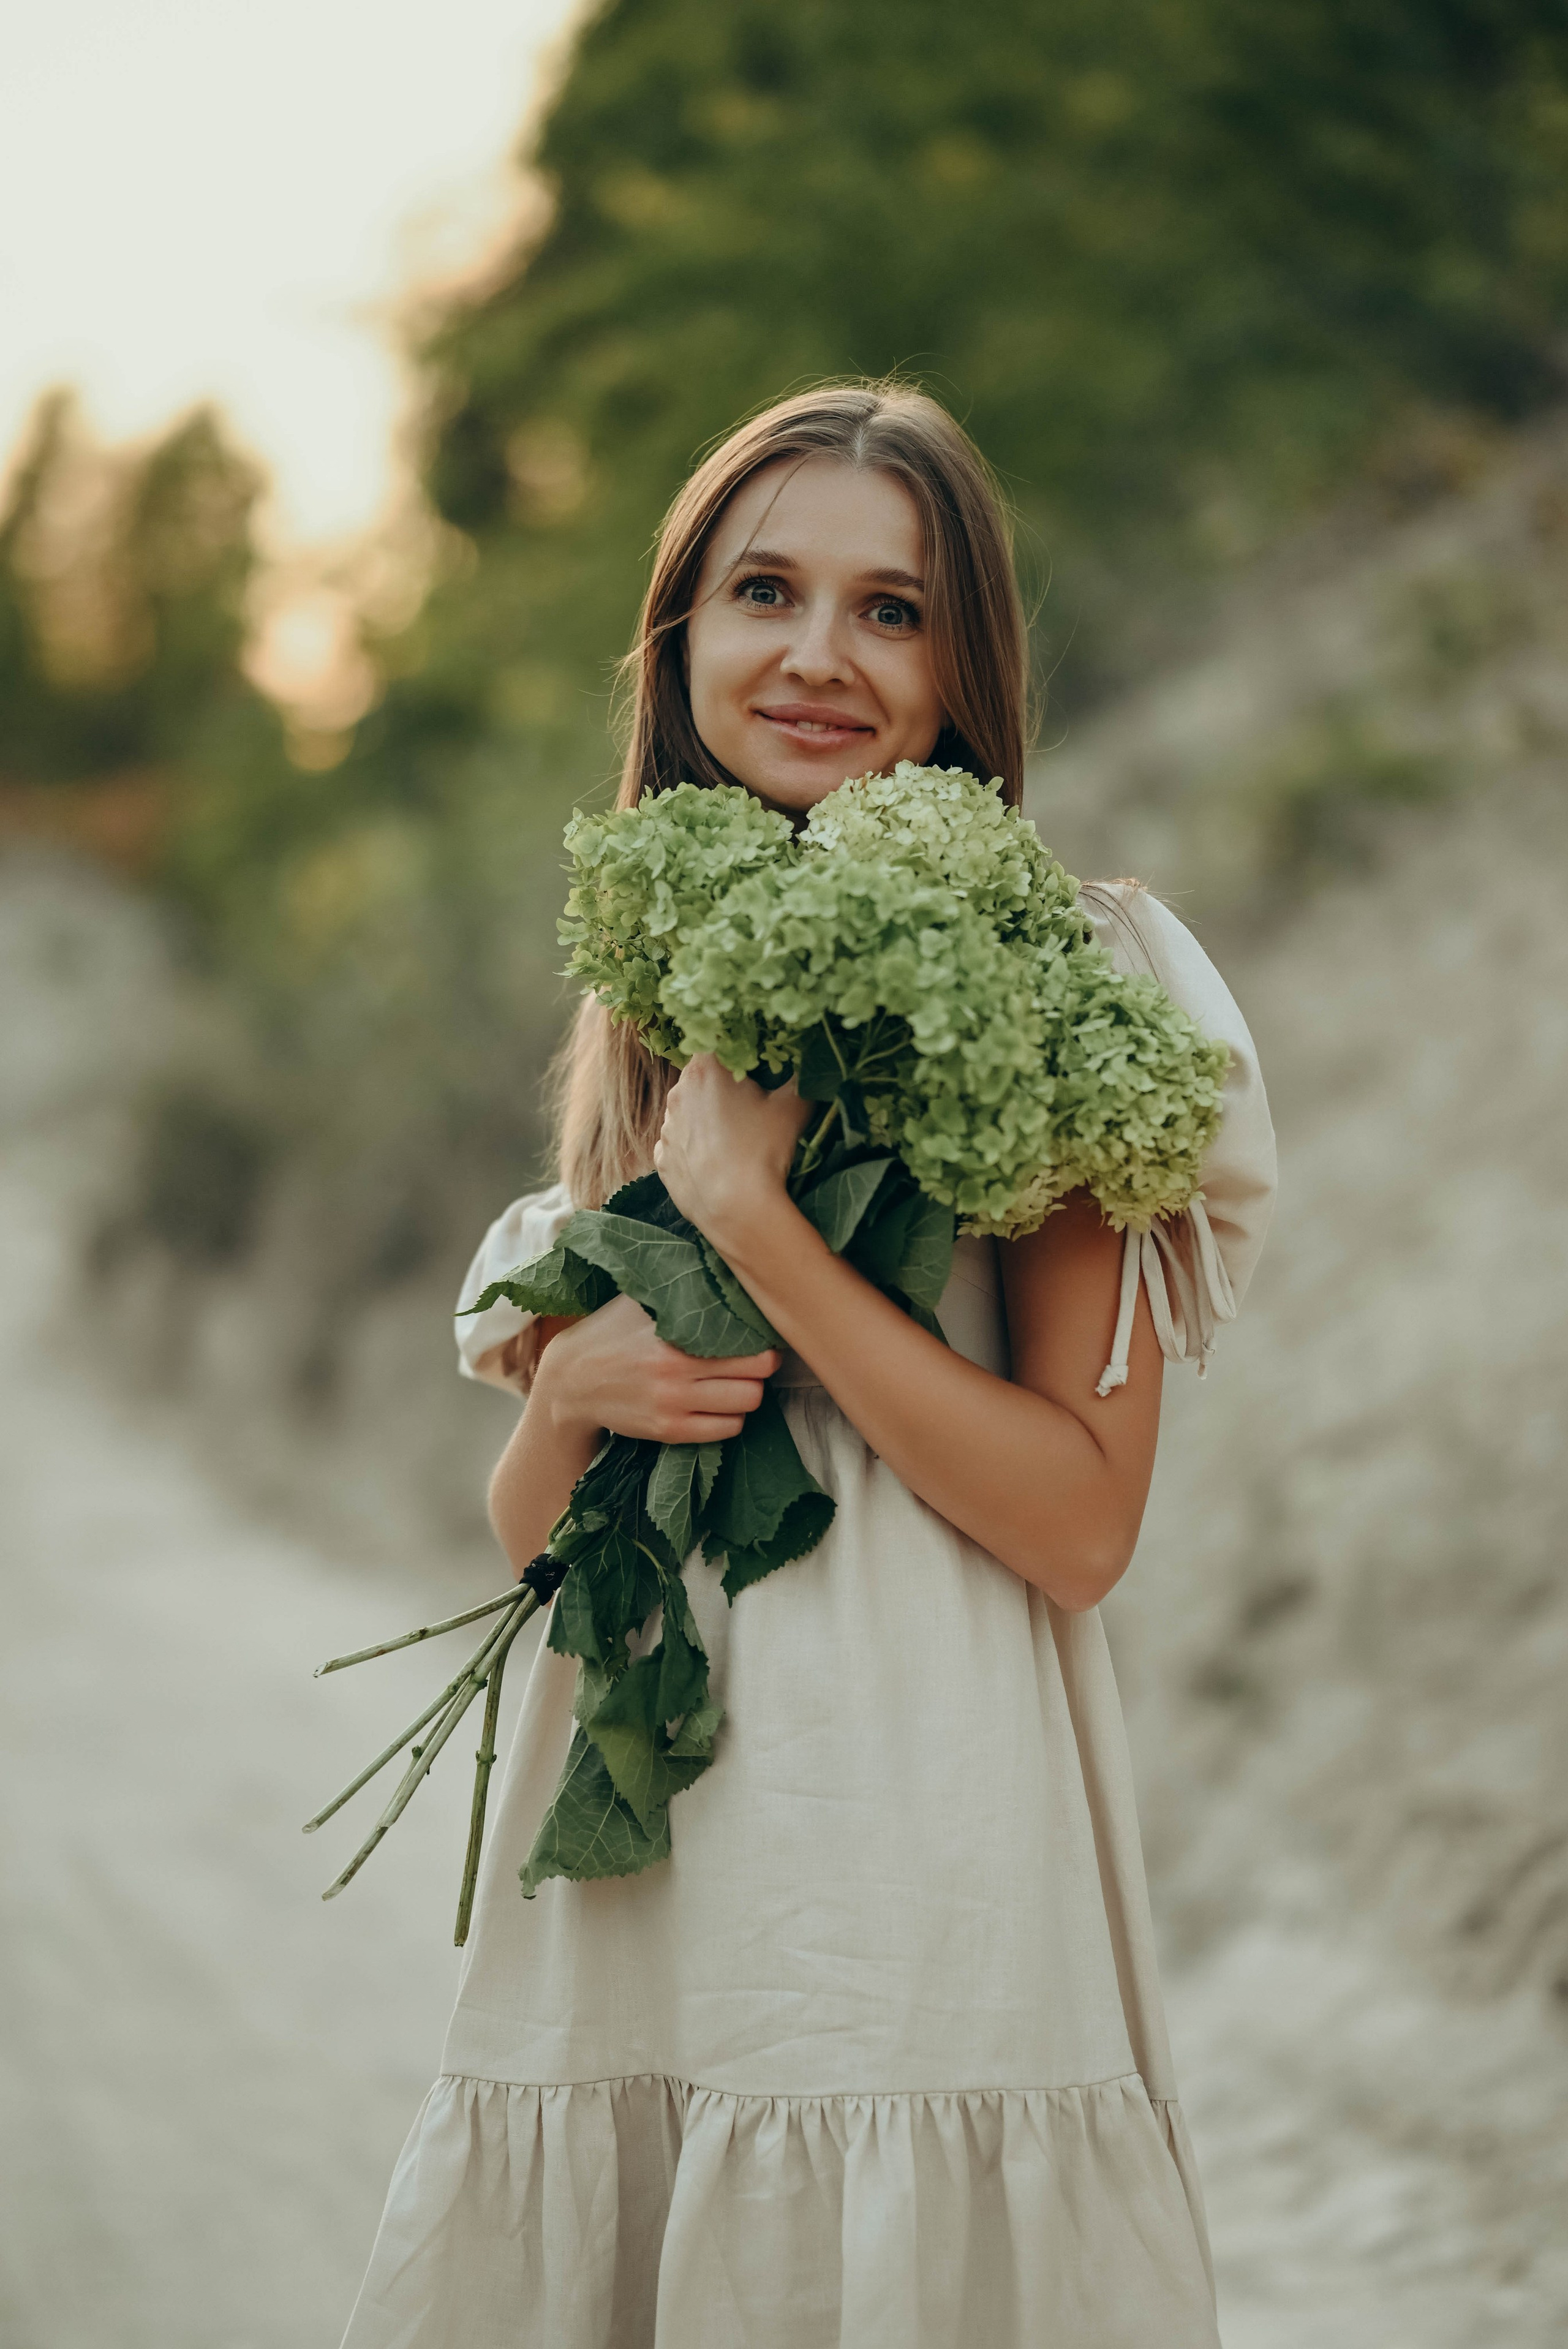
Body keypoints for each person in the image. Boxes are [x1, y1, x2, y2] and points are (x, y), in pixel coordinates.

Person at [341, 382, 1276, 2348]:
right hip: (640, 1824)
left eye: (894, 609)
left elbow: (1083, 1520)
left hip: (915, 1838)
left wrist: (758, 1232)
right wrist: (583, 1383)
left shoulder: (1063, 978)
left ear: (966, 668)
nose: (821, 655)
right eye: (767, 589)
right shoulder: (656, 977)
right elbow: (535, 1538)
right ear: (682, 639)